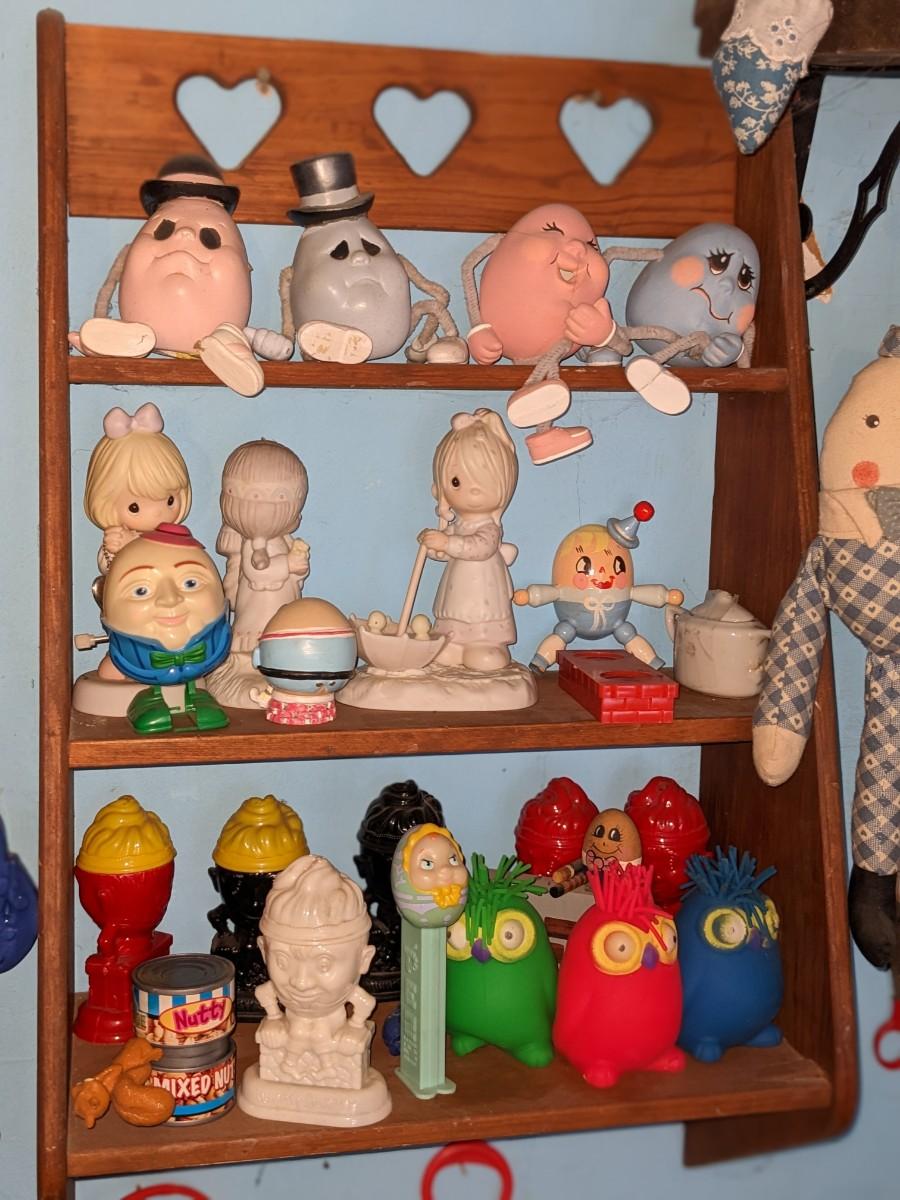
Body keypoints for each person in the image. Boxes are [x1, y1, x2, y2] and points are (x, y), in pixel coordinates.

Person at [418, 408, 519, 672]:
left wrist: (447, 544)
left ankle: (486, 644)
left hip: (484, 589)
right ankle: (456, 643)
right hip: (458, 590)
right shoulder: (458, 525)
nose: (472, 490)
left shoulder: (489, 528)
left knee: (480, 624)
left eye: (483, 481)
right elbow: (447, 552)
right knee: (454, 619)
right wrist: (435, 547)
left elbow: (480, 548)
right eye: (456, 481)